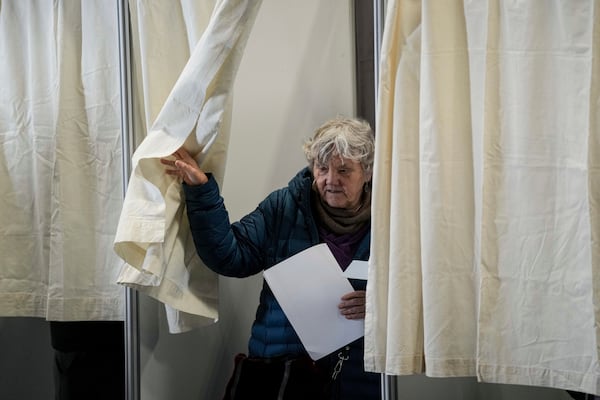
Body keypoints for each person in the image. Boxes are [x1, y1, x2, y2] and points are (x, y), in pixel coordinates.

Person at [161, 116, 380, 400]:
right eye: (322, 168)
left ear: (368, 172)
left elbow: (427, 291)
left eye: (343, 170)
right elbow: (230, 256)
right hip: (284, 373)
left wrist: (381, 305)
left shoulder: (390, 223)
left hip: (359, 378)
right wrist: (201, 192)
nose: (330, 180)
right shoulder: (285, 206)